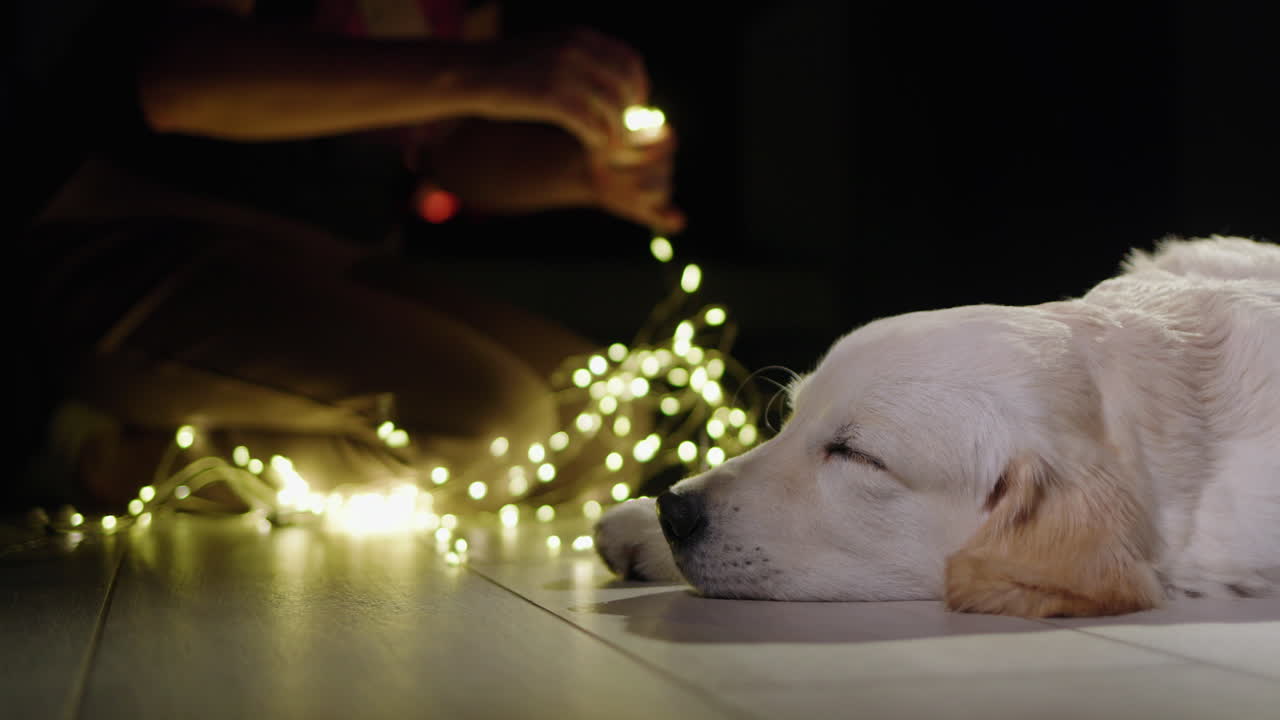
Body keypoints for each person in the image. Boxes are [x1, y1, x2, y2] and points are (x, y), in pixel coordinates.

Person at [21, 0, 682, 514]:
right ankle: (114, 458)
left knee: (608, 426)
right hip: (139, 247)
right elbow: (175, 79)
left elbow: (452, 150)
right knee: (484, 427)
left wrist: (585, 176)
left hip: (336, 265)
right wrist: (484, 70)